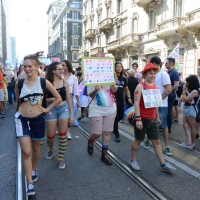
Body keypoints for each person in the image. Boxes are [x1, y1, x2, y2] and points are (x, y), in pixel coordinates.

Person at [15, 54, 62, 196]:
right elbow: (17, 102)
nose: (27, 69)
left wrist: (47, 109)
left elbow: (59, 98)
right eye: (25, 66)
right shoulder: (19, 83)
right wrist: (16, 115)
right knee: (26, 151)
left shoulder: (43, 82)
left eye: (30, 66)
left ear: (36, 67)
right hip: (21, 120)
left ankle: (33, 169)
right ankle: (29, 183)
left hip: (38, 119)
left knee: (36, 148)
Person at [129, 63, 176, 172]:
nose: (153, 75)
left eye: (154, 73)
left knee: (156, 142)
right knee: (138, 140)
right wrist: (138, 119)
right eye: (150, 73)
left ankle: (163, 164)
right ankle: (133, 160)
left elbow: (155, 104)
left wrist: (157, 117)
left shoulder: (155, 86)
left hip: (153, 119)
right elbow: (136, 103)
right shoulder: (140, 86)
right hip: (142, 119)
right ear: (145, 74)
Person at [45, 61, 74, 169]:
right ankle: (51, 149)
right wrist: (55, 99)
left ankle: (60, 158)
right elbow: (45, 100)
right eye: (60, 69)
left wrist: (72, 114)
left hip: (64, 109)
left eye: (63, 69)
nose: (62, 71)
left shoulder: (64, 82)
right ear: (53, 70)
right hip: (51, 110)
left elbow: (68, 99)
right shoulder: (47, 83)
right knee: (50, 136)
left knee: (63, 135)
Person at [87, 83, 118, 165]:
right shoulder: (92, 78)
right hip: (96, 109)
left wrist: (114, 84)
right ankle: (90, 141)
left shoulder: (110, 76)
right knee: (97, 133)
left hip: (111, 109)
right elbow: (90, 95)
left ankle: (104, 154)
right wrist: (96, 90)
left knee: (107, 132)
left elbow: (114, 90)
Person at [148, 56, 172, 155]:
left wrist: (157, 100)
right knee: (150, 124)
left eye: (150, 64)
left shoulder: (163, 74)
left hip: (161, 105)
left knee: (163, 125)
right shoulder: (151, 74)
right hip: (150, 104)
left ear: (154, 63)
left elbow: (168, 90)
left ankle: (166, 146)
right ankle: (148, 140)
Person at [113, 62, 132, 142]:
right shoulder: (111, 77)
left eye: (120, 67)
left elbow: (126, 89)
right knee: (115, 116)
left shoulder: (124, 79)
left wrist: (129, 97)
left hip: (120, 99)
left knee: (120, 116)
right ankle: (116, 132)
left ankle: (113, 126)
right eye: (117, 66)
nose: (119, 68)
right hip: (112, 99)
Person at [180, 75, 199, 150]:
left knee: (192, 127)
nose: (186, 83)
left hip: (191, 109)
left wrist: (184, 90)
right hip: (187, 108)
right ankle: (189, 142)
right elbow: (182, 98)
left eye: (187, 82)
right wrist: (184, 92)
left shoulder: (195, 91)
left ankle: (191, 143)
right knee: (185, 126)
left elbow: (185, 99)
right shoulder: (190, 89)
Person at [62, 60, 80, 139]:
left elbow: (76, 90)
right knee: (61, 115)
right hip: (60, 97)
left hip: (70, 98)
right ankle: (61, 128)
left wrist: (78, 101)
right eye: (61, 65)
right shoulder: (59, 75)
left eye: (63, 65)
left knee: (70, 115)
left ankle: (68, 131)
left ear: (68, 66)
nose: (62, 67)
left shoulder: (74, 78)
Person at [165, 58, 179, 133]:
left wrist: (168, 91)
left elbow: (176, 85)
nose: (165, 65)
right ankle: (165, 127)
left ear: (170, 63)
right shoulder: (169, 72)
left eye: (166, 63)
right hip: (168, 95)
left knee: (168, 112)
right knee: (166, 111)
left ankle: (168, 128)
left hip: (170, 95)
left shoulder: (174, 72)